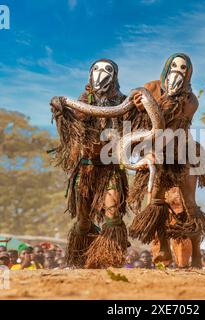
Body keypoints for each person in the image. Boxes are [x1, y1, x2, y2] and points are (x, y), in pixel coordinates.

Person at [128, 53, 205, 268]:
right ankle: (161, 252)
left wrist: (153, 104)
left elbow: (169, 118)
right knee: (155, 203)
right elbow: (138, 118)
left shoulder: (191, 100)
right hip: (155, 152)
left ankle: (196, 255)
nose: (178, 70)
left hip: (181, 152)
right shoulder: (149, 87)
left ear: (188, 73)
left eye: (183, 68)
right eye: (174, 66)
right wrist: (139, 106)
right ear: (166, 67)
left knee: (189, 205)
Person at [50, 59, 129, 268]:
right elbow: (74, 118)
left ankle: (109, 256)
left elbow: (137, 121)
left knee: (112, 211)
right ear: (90, 74)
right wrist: (60, 108)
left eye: (107, 70)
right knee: (83, 220)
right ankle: (80, 255)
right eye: (97, 69)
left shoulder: (124, 102)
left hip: (111, 167)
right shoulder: (82, 101)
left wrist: (138, 104)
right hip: (86, 167)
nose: (101, 74)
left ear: (115, 76)